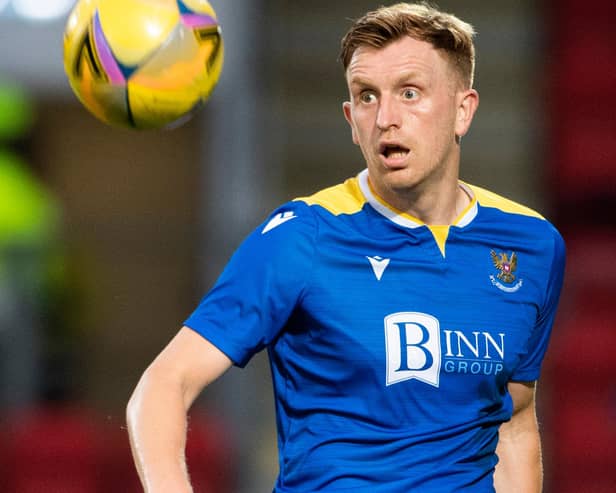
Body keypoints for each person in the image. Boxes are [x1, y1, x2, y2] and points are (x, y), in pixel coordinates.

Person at [127, 3, 565, 492]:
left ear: (463, 110)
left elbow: (514, 424)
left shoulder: (531, 246)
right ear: (350, 119)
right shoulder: (301, 237)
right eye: (366, 97)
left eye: (411, 93)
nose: (386, 118)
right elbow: (163, 386)